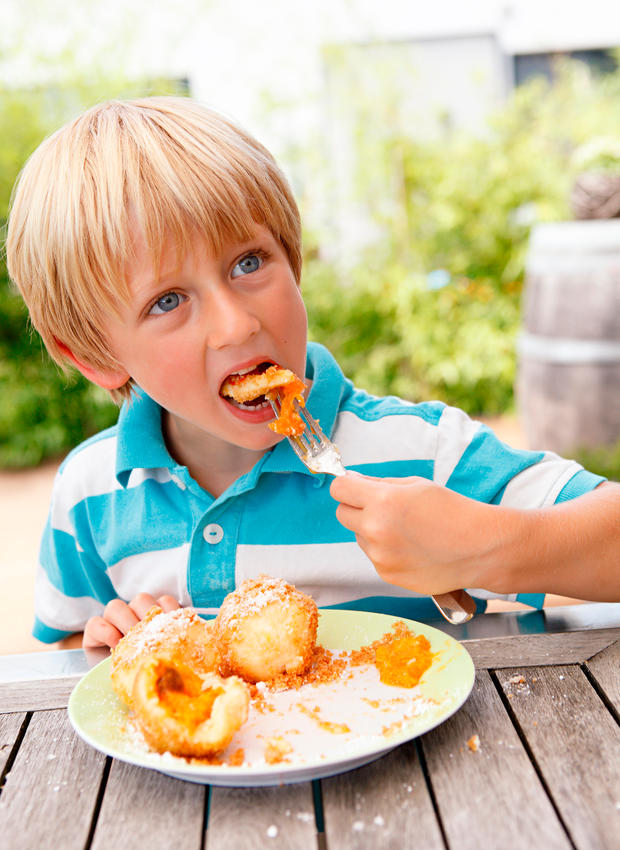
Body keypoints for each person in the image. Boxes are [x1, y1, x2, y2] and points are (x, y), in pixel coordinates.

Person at [6, 96, 619, 650]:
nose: (236, 325)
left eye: (249, 262)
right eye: (167, 301)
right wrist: (117, 645)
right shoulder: (88, 495)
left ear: (292, 258)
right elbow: (67, 659)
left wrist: (484, 546)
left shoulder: (421, 455)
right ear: (95, 355)